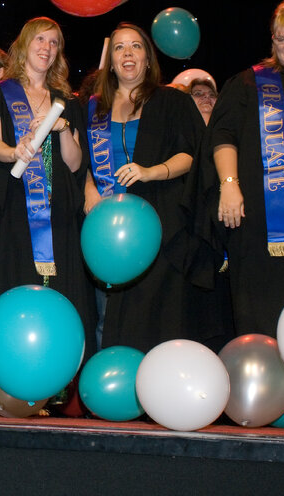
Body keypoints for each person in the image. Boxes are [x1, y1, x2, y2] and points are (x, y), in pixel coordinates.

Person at [0, 16, 96, 348]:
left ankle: (55, 388)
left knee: (60, 295)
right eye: (41, 40)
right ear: (25, 45)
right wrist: (15, 151)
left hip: (58, 214)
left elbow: (74, 163)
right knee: (16, 289)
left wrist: (62, 129)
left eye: (54, 42)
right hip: (13, 209)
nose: (47, 48)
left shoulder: (67, 102)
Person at [82, 23, 205, 352]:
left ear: (148, 59)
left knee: (158, 315)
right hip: (104, 230)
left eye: (136, 46)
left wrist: (151, 172)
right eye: (119, 47)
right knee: (105, 316)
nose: (127, 53)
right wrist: (89, 192)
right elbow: (78, 162)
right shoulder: (92, 107)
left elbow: (192, 155)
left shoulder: (172, 101)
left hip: (159, 224)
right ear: (110, 61)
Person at [208, 0, 284, 336]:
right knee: (265, 314)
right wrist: (229, 183)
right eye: (280, 39)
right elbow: (223, 134)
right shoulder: (249, 83)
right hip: (263, 224)